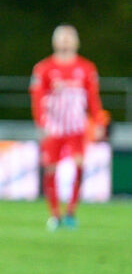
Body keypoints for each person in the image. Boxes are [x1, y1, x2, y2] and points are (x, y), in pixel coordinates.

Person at [30, 24, 102, 231]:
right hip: (53, 128)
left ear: (76, 41)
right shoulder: (43, 68)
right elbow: (37, 98)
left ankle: (71, 212)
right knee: (51, 168)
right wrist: (41, 123)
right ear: (54, 41)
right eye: (61, 37)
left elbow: (93, 99)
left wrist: (97, 122)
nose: (65, 41)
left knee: (79, 165)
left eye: (70, 37)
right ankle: (55, 214)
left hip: (77, 128)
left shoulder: (87, 68)